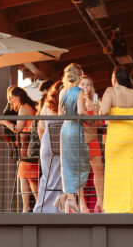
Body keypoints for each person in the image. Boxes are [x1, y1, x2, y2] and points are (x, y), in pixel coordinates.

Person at [99, 66, 133, 213]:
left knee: (114, 169)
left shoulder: (110, 91)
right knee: (131, 169)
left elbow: (104, 111)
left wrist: (99, 108)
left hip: (117, 132)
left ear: (114, 78)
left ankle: (114, 206)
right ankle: (130, 206)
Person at [1, 86, 39, 212]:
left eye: (12, 97)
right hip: (33, 145)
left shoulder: (23, 108)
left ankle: (26, 207)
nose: (11, 101)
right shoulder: (32, 108)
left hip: (26, 146)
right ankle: (39, 205)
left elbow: (18, 128)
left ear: (19, 96)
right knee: (31, 177)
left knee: (23, 176)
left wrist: (4, 122)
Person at [59, 63, 90, 213]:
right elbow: (80, 111)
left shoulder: (62, 91)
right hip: (75, 129)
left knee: (68, 163)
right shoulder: (78, 91)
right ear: (80, 75)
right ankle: (70, 197)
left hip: (64, 129)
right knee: (82, 163)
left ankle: (69, 197)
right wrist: (92, 117)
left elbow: (60, 115)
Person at [34, 81, 64, 213]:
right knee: (61, 178)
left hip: (47, 145)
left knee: (46, 178)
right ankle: (56, 210)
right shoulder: (66, 108)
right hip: (63, 146)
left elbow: (40, 128)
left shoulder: (46, 106)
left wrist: (45, 144)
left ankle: (41, 209)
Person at [80, 76, 105, 212]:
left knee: (98, 170)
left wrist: (96, 116)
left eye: (89, 84)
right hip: (81, 139)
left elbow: (99, 125)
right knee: (81, 172)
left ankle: (100, 201)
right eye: (83, 84)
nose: (86, 87)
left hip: (93, 138)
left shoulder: (96, 102)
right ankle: (82, 203)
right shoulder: (76, 102)